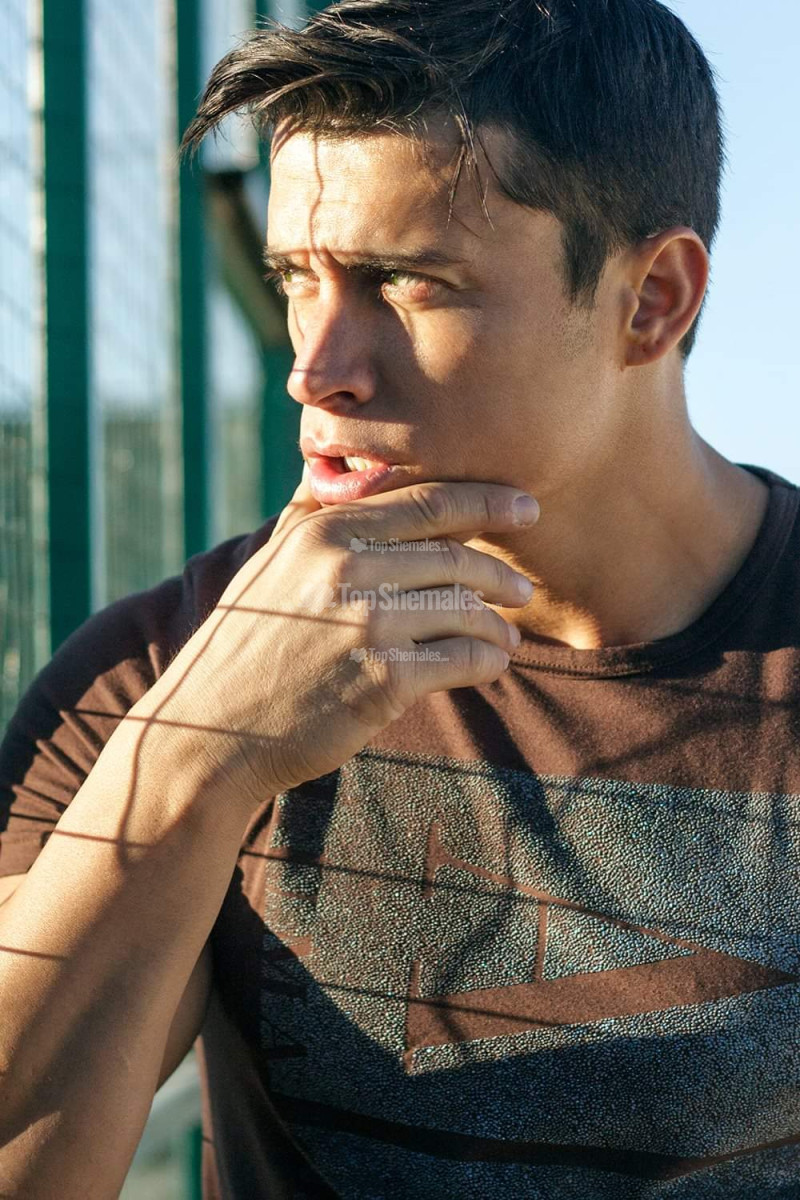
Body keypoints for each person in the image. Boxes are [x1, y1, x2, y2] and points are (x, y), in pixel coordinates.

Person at [1, 0, 798, 1196]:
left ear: (650, 300)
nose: (314, 369)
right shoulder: (162, 666)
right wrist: (188, 764)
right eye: (295, 279)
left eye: (404, 283)